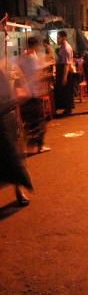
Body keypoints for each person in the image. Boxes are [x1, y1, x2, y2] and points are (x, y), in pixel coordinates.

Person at [0, 65, 33, 206]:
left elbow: (21, 91)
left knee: (17, 154)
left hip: (10, 118)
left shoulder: (8, 68)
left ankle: (19, 190)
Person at [17, 37, 50, 154]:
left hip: (24, 94)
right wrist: (44, 67)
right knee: (39, 121)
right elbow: (38, 74)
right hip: (33, 93)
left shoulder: (21, 58)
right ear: (35, 45)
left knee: (28, 122)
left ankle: (30, 146)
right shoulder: (32, 59)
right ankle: (38, 146)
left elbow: (17, 72)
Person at [54, 30, 75, 116]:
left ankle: (68, 110)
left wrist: (64, 77)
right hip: (61, 70)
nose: (57, 39)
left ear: (64, 38)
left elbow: (67, 64)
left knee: (67, 92)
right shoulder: (62, 47)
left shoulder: (66, 48)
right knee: (63, 91)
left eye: (58, 38)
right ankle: (66, 109)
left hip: (65, 72)